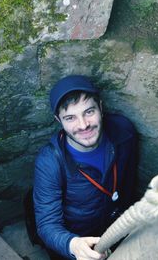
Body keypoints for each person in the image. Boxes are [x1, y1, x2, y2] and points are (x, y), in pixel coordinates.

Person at [33, 75, 138, 259]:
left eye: (89, 111)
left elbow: (129, 179)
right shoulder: (50, 162)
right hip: (75, 236)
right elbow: (47, 224)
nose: (83, 125)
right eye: (70, 117)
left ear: (101, 108)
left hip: (113, 224)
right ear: (59, 120)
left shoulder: (123, 132)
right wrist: (72, 244)